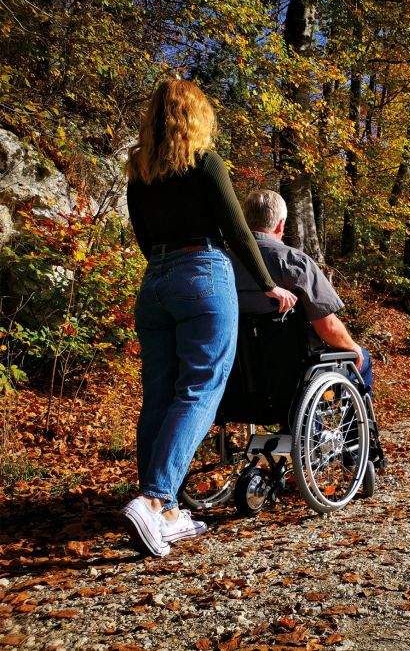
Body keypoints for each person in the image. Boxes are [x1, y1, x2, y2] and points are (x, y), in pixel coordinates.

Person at [122, 79, 297, 558]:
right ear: (197, 116)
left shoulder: (138, 171)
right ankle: (155, 499)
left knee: (158, 394)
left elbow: (142, 235)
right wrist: (268, 285)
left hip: (154, 280)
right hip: (201, 270)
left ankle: (168, 511)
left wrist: (165, 266)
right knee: (200, 388)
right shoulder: (205, 162)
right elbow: (238, 230)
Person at [231, 190, 372, 392]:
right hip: (295, 378)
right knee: (362, 359)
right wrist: (353, 347)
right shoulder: (293, 262)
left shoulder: (223, 262)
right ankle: (356, 423)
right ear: (281, 224)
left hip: (241, 381)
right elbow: (327, 327)